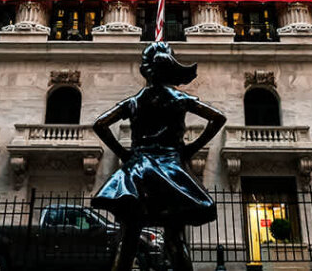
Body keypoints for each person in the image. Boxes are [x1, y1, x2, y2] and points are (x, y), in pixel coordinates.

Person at [92, 42, 227, 271]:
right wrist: (191, 148)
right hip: (171, 171)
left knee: (128, 241)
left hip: (137, 171)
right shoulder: (179, 98)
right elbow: (218, 118)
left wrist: (124, 153)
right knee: (175, 239)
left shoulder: (134, 101)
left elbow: (100, 124)